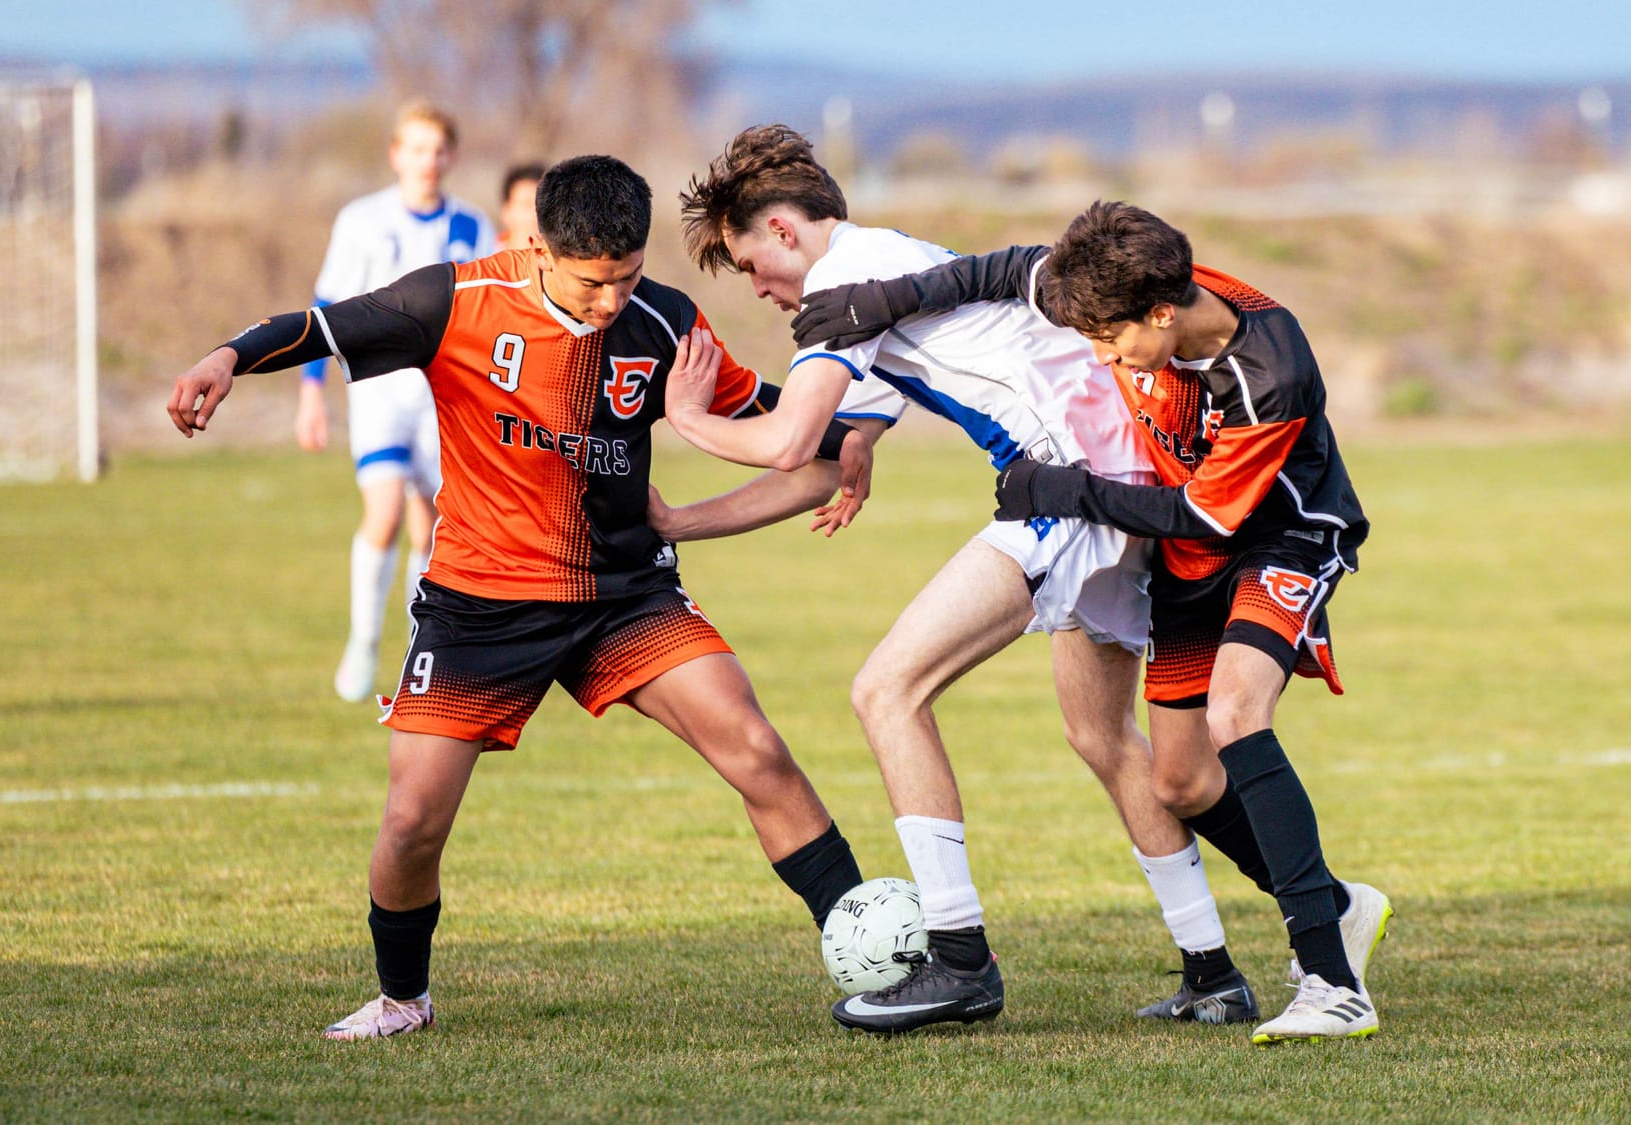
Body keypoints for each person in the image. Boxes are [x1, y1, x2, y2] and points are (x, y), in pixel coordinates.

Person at [167, 154, 873, 1040]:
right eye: (592, 283)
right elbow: (322, 327)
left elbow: (769, 414)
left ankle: (877, 952)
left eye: (626, 277)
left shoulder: (664, 322)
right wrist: (226, 358)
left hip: (622, 590)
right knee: (413, 819)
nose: (611, 301)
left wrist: (848, 436)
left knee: (755, 746)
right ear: (537, 246)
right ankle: (402, 998)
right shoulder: (454, 301)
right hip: (481, 599)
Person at [661, 125, 1259, 1034]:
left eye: (750, 264)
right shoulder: (882, 265)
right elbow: (820, 464)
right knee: (1101, 735)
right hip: (1110, 471)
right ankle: (1214, 970)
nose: (759, 288)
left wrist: (688, 418)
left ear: (783, 230)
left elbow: (786, 441)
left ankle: (959, 961)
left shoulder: (838, 279)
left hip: (1068, 476)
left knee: (886, 689)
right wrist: (677, 524)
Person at [791, 201, 1394, 1044]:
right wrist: (884, 301)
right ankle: (1335, 904)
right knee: (1177, 780)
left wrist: (1062, 490)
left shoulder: (1269, 370)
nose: (1102, 356)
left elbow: (1206, 516)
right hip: (1184, 555)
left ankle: (1331, 982)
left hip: (1279, 538)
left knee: (1235, 711)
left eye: (1112, 342)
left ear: (1163, 313)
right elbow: (1000, 270)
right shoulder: (1119, 292)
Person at [296, 102, 497, 704]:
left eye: (438, 150)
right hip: (380, 395)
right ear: (395, 153)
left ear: (452, 157)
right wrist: (312, 391)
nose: (427, 161)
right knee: (382, 513)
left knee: (431, 529)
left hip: (445, 400)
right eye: (416, 148)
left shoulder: (472, 227)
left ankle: (419, 653)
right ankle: (362, 641)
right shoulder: (361, 221)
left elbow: (486, 315)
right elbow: (326, 308)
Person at [496, 161, 548, 252]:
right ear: (506, 211)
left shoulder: (567, 261)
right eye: (527, 204)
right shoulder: (482, 252)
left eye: (541, 204)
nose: (535, 214)